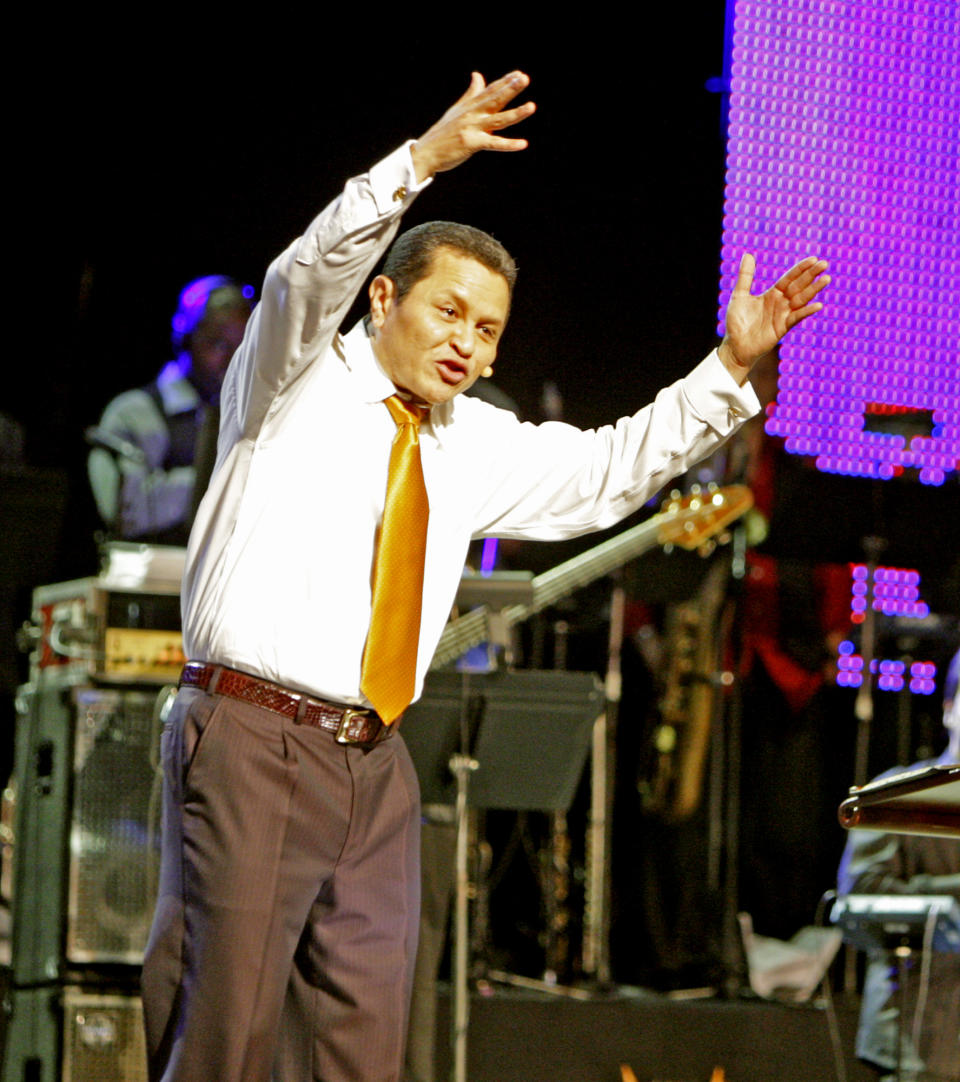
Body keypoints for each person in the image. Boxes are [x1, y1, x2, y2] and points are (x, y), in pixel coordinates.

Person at [140, 70, 830, 1082]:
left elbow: (607, 467)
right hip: (251, 735)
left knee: (366, 1044)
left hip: (372, 759)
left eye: (488, 329)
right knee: (224, 1041)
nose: (467, 342)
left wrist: (729, 368)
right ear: (384, 298)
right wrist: (418, 163)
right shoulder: (291, 377)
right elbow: (303, 274)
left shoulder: (468, 441)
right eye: (449, 313)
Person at [838, 649, 960, 1082]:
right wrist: (952, 893)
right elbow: (861, 894)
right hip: (915, 1038)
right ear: (948, 709)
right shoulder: (896, 794)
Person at [87, 275, 252, 544]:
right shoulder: (133, 412)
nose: (231, 359)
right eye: (219, 343)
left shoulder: (244, 415)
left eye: (242, 348)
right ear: (186, 339)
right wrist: (219, 483)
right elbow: (128, 513)